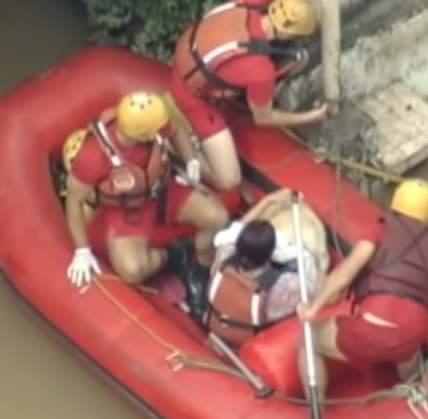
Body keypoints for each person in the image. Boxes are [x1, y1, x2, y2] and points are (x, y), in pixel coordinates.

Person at [295, 179, 428, 399]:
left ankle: (316, 404)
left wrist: (313, 307)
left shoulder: (379, 230)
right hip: (410, 341)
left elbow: (346, 272)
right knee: (409, 350)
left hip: (368, 333)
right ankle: (414, 390)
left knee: (308, 341)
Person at [63, 91, 229, 295]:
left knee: (217, 217)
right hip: (125, 208)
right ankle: (174, 255)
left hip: (164, 188)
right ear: (146, 135)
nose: (162, 127)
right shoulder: (93, 157)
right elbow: (74, 201)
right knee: (132, 270)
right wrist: (82, 249)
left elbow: (175, 132)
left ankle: (201, 265)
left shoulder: (150, 118)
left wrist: (191, 160)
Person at [169, 0, 328, 199]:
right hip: (192, 97)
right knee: (229, 179)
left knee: (288, 60)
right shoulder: (260, 71)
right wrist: (311, 117)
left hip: (189, 54)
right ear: (288, 34)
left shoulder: (250, 5)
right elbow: (263, 118)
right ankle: (178, 147)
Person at [203, 188, 329, 346]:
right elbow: (317, 290)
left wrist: (268, 201)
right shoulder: (286, 285)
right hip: (249, 337)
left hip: (215, 320)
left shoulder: (224, 254)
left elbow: (238, 228)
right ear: (271, 252)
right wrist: (320, 266)